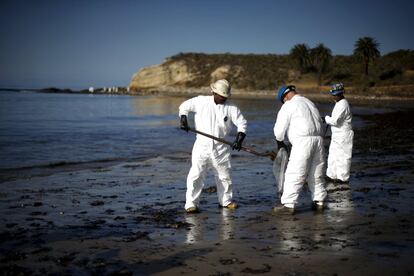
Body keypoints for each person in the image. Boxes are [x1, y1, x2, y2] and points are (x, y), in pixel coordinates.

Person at [179, 79, 247, 213]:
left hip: (221, 146)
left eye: (225, 96)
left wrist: (239, 138)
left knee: (224, 175)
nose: (223, 98)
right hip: (202, 144)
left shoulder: (232, 108)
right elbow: (184, 107)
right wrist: (183, 118)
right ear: (213, 92)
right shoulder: (201, 101)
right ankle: (191, 204)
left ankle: (225, 201)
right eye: (221, 96)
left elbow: (242, 123)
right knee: (196, 174)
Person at [273, 85, 327, 214]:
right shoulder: (309, 102)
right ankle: (319, 201)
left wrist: (280, 143)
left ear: (285, 97)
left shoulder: (288, 105)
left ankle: (289, 205)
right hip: (319, 141)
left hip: (303, 142)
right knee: (316, 173)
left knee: (295, 172)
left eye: (284, 100)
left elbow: (279, 131)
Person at [324, 83, 353, 183]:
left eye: (335, 95)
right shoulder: (338, 103)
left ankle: (343, 178)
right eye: (333, 94)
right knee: (333, 155)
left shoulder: (343, 104)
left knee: (343, 157)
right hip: (337, 135)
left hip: (344, 135)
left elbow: (335, 121)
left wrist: (326, 119)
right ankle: (331, 175)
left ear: (341, 94)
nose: (333, 96)